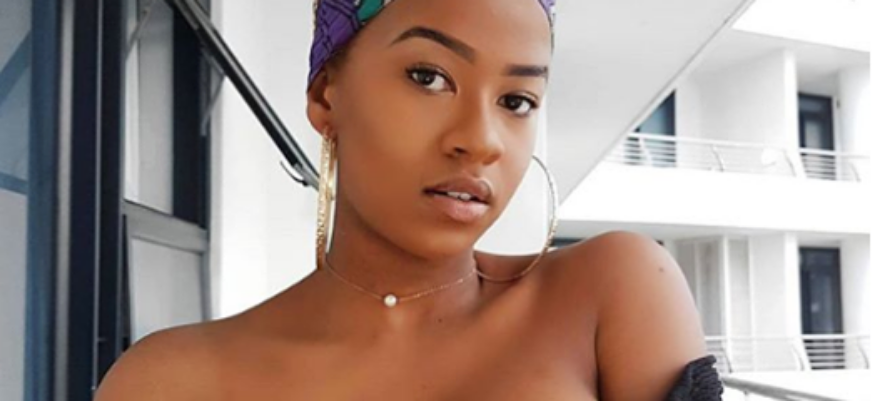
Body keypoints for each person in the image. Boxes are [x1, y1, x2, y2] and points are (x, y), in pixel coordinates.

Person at [96, 0, 722, 399]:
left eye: (516, 101)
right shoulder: (170, 381)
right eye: (429, 77)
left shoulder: (609, 292)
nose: (481, 141)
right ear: (325, 95)